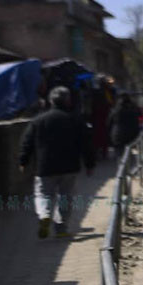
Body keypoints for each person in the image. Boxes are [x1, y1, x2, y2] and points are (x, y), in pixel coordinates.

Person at [19, 86, 96, 238]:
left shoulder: (38, 120)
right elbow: (86, 144)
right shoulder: (75, 120)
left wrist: (23, 160)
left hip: (45, 166)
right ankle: (61, 227)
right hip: (69, 166)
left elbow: (27, 142)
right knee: (65, 196)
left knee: (43, 194)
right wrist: (89, 164)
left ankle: (44, 215)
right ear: (68, 101)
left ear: (51, 101)